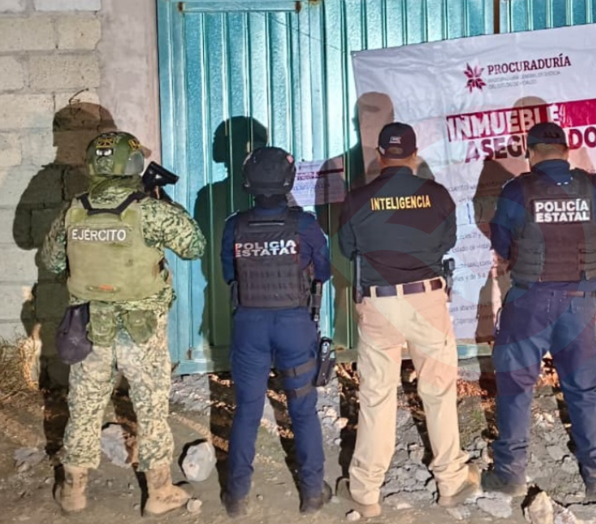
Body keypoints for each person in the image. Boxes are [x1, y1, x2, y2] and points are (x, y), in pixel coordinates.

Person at [40, 131, 206, 515]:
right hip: (141, 330)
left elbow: (51, 261)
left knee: (84, 406)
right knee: (151, 408)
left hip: (87, 328)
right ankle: (159, 492)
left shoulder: (73, 209)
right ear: (131, 165)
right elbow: (194, 245)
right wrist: (163, 201)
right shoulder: (149, 209)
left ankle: (73, 491)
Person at [337, 122, 479, 517]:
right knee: (438, 390)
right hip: (427, 300)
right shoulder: (437, 195)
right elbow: (448, 241)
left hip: (379, 304)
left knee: (377, 395)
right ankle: (450, 482)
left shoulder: (357, 198)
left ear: (380, 155)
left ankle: (365, 492)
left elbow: (347, 248)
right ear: (414, 155)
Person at [482, 122, 596, 501]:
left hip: (530, 301)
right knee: (584, 390)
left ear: (531, 153)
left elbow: (501, 241)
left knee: (515, 387)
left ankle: (510, 474)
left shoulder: (517, 189)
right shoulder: (593, 187)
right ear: (567, 151)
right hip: (579, 300)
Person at [219, 147, 333, 516]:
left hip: (249, 325)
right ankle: (312, 493)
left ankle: (236, 496)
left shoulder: (234, 225)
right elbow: (324, 271)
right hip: (294, 326)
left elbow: (229, 275)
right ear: (288, 181)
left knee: (247, 410)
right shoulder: (305, 225)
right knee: (303, 409)